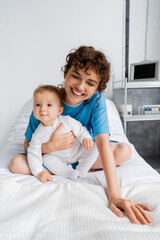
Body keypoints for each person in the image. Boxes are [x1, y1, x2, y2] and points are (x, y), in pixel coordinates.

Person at [9, 46, 152, 225]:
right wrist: (50, 146)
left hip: (83, 152)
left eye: (90, 83)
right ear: (65, 74)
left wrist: (115, 195)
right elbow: (27, 144)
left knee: (124, 151)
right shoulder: (47, 99)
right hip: (52, 155)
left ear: (98, 87)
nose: (80, 86)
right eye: (76, 76)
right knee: (16, 164)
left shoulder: (97, 100)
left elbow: (102, 143)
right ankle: (64, 168)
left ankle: (75, 167)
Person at [28, 84, 97, 183]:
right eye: (38, 105)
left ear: (59, 110)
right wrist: (38, 172)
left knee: (96, 145)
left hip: (78, 152)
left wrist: (85, 138)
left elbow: (81, 130)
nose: (42, 109)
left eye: (49, 105)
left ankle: (82, 170)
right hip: (59, 159)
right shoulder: (38, 134)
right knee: (46, 159)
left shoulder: (67, 121)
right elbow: (33, 153)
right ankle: (68, 173)